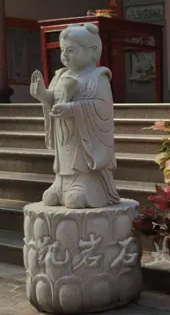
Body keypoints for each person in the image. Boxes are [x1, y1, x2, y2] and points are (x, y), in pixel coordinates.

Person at [30, 23, 120, 209]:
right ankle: (61, 183)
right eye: (63, 50)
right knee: (64, 159)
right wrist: (42, 95)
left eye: (71, 50)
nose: (65, 55)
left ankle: (84, 184)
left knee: (79, 165)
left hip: (85, 138)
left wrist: (73, 109)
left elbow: (103, 108)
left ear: (92, 51)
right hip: (64, 133)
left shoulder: (97, 77)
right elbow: (52, 98)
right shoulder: (60, 75)